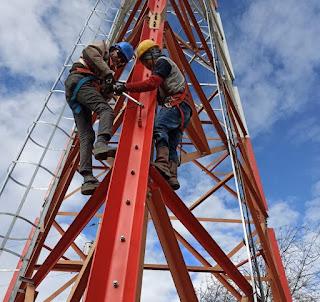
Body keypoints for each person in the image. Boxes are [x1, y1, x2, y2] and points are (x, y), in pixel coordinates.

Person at [113, 39, 192, 190]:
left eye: (145, 60)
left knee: (159, 128)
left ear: (153, 53)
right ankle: (172, 176)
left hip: (176, 104)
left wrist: (125, 86)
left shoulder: (162, 62)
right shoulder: (165, 67)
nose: (147, 66)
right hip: (184, 110)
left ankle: (162, 164)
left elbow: (151, 84)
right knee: (172, 145)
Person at [65, 40, 134, 195]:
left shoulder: (107, 70)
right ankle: (101, 143)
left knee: (86, 135)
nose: (119, 60)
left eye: (122, 61)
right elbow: (90, 54)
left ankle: (87, 178)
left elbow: (101, 94)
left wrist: (110, 89)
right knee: (106, 111)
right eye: (119, 55)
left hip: (76, 94)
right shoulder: (102, 48)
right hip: (80, 81)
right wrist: (109, 75)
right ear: (114, 49)